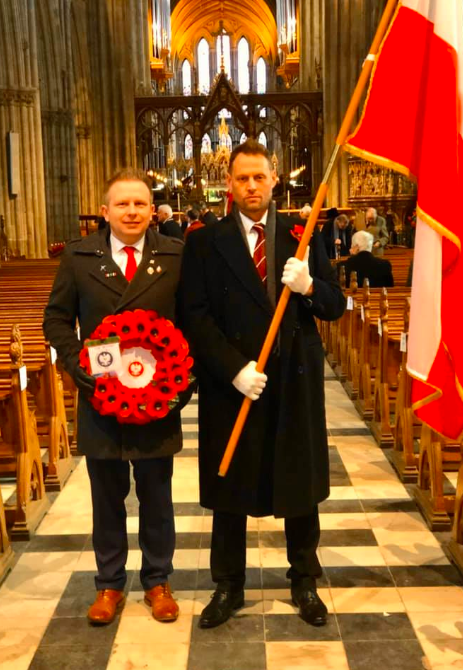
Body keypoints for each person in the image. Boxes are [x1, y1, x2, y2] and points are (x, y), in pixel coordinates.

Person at [178, 140, 345, 630]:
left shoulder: (302, 234)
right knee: (229, 482)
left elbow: (334, 305)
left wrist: (308, 286)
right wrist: (233, 368)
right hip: (233, 381)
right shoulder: (205, 242)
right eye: (242, 178)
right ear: (228, 184)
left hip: (293, 376)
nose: (251, 186)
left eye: (259, 177)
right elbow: (194, 315)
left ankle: (305, 580)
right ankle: (228, 584)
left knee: (298, 480)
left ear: (275, 180)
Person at [43, 168, 190, 626]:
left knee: (156, 496)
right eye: (122, 204)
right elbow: (56, 320)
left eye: (140, 203)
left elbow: (194, 320)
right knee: (106, 497)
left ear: (153, 211)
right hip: (101, 397)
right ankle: (109, 584)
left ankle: (158, 581)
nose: (132, 211)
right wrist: (78, 367)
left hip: (156, 399)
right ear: (104, 211)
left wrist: (183, 380)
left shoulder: (176, 255)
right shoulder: (79, 256)